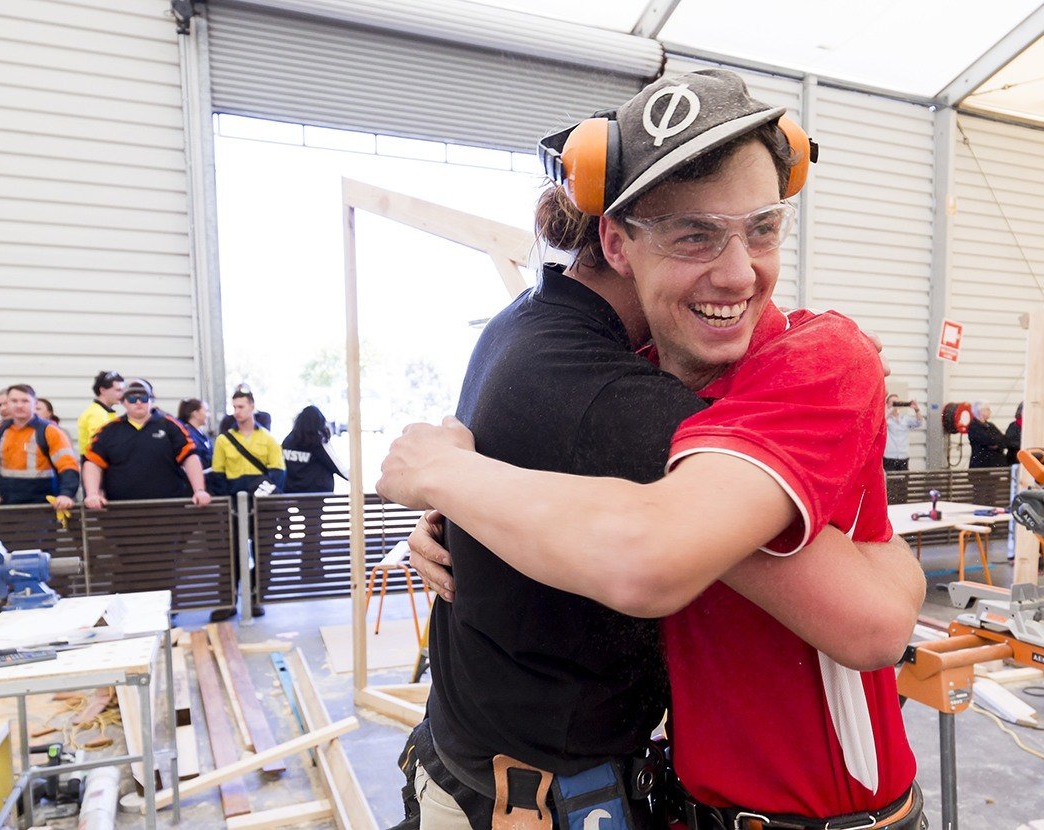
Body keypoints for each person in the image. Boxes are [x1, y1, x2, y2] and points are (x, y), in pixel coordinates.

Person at [379, 70, 922, 830]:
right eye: (692, 233)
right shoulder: (621, 391)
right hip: (550, 796)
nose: (736, 272)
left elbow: (873, 623)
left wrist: (452, 480)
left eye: (762, 228)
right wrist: (452, 495)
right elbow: (650, 538)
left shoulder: (531, 331)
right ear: (617, 240)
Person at [83, 378, 212, 508]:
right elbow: (92, 462)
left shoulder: (171, 426)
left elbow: (190, 457)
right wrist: (92, 493)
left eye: (143, 397)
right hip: (120, 511)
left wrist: (199, 490)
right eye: (132, 398)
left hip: (170, 510)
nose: (138, 402)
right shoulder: (108, 431)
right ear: (123, 402)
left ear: (151, 400)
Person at [0, 384, 80, 507]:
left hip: (42, 508)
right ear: (8, 403)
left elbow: (68, 465)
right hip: (5, 506)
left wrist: (66, 494)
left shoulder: (50, 431)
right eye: (14, 401)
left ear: (35, 404)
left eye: (25, 401)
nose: (19, 405)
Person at [213, 388, 285, 495]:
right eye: (234, 407)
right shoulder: (222, 440)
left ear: (252, 407)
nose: (237, 412)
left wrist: (264, 493)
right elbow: (218, 474)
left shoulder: (269, 439)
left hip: (262, 498)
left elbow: (278, 473)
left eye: (241, 407)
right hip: (233, 498)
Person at [279, 406, 345, 494]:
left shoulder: (288, 441)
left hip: (291, 490)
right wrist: (355, 479)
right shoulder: (317, 441)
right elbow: (337, 466)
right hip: (316, 492)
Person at [78, 370, 125, 456]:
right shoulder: (96, 414)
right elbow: (100, 446)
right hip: (96, 466)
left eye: (123, 390)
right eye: (118, 390)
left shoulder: (106, 412)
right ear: (102, 390)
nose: (122, 395)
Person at [883, 395, 923, 472]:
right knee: (889, 482)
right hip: (889, 456)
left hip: (903, 456)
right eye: (893, 402)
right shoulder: (886, 419)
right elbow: (879, 424)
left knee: (903, 482)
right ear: (887, 404)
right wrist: (889, 410)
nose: (895, 404)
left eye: (897, 402)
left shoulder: (905, 418)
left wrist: (916, 408)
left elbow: (919, 422)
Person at [966, 402, 1012, 468]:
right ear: (981, 411)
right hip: (981, 465)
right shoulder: (974, 426)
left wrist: (996, 444)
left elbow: (1004, 440)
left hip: (996, 465)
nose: (990, 411)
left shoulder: (990, 426)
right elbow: (986, 440)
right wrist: (996, 442)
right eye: (988, 409)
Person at [177, 398, 215, 472]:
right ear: (195, 414)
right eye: (206, 411)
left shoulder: (200, 433)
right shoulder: (188, 435)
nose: (209, 415)